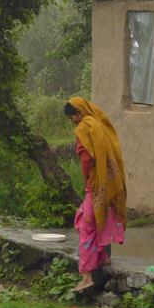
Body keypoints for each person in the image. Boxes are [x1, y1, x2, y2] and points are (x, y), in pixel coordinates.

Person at [64, 96, 127, 293]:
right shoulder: (99, 123)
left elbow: (87, 157)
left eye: (71, 117)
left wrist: (86, 177)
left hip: (96, 184)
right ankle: (103, 256)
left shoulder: (84, 128)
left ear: (79, 113)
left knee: (85, 227)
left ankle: (87, 276)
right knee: (91, 217)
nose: (72, 121)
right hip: (110, 183)